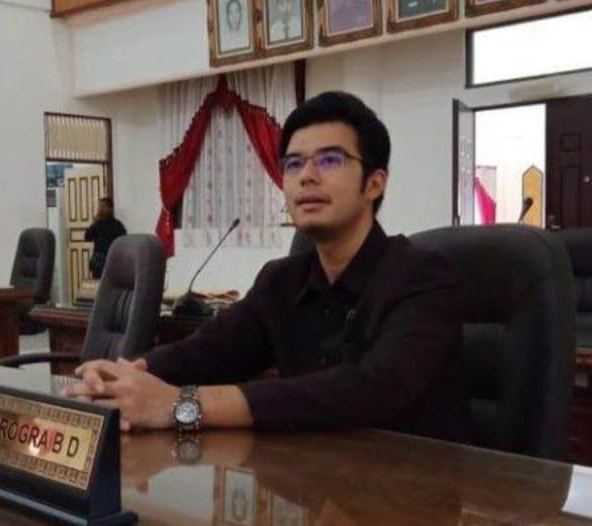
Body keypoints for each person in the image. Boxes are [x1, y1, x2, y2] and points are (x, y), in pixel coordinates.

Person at [65, 91, 471, 444]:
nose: (306, 176)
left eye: (330, 160)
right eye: (293, 164)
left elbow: (370, 389)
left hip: (420, 489)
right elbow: (209, 353)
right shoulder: (282, 281)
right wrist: (125, 376)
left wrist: (183, 405)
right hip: (316, 483)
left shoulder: (425, 277)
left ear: (375, 183)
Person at [84, 197, 127, 279]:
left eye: (103, 206)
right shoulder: (97, 224)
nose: (100, 209)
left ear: (110, 209)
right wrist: (94, 223)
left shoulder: (117, 225)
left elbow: (123, 242)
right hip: (98, 262)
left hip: (112, 260)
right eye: (99, 206)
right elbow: (87, 237)